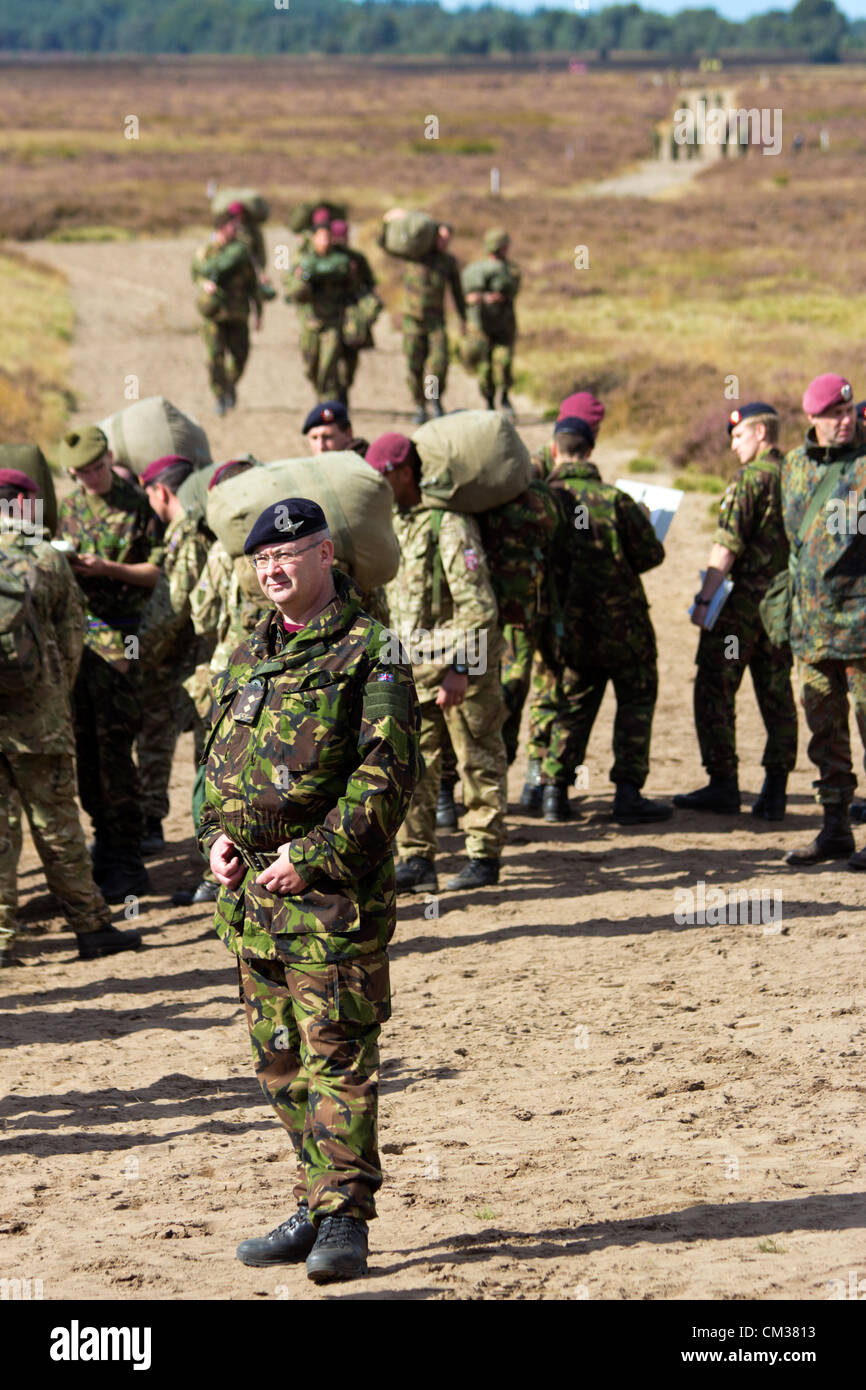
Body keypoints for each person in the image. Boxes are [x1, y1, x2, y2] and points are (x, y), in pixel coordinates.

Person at [199, 498, 420, 1283]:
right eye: (262, 562)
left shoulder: (374, 652)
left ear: (326, 555)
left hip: (330, 903)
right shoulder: (248, 651)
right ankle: (312, 1197)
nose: (273, 571)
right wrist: (214, 839)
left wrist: (315, 855)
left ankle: (344, 1221)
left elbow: (387, 780)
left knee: (337, 1059)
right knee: (280, 1064)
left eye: (288, 556)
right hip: (254, 906)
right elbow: (210, 765)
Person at [0, 468, 141, 965]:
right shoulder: (44, 557)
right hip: (39, 720)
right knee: (57, 823)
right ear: (26, 505)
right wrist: (52, 690)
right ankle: (91, 927)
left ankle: (1, 937)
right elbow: (73, 638)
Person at [367, 432, 507, 891]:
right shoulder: (394, 523)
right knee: (414, 765)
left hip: (461, 668)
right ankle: (417, 860)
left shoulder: (448, 524)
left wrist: (461, 668)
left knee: (475, 758)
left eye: (383, 475)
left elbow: (480, 607)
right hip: (414, 669)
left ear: (405, 473)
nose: (377, 484)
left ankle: (483, 857)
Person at [541, 416, 671, 824]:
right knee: (635, 700)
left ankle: (553, 793)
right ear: (590, 451)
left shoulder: (544, 501)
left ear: (555, 450)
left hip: (570, 627)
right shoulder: (617, 500)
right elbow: (651, 555)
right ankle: (628, 795)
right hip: (624, 625)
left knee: (574, 705)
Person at [674, 402, 797, 818]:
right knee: (776, 692)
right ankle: (775, 789)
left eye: (739, 436)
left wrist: (705, 600)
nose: (733, 446)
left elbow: (727, 544)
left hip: (738, 618)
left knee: (716, 685)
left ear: (762, 434)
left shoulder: (750, 480)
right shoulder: (797, 475)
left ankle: (724, 782)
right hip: (781, 610)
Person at [56, 427, 162, 902]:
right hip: (83, 640)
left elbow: (158, 570)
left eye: (98, 468)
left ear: (110, 459)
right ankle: (105, 847)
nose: (92, 478)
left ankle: (129, 859)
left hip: (125, 641)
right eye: (82, 472)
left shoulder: (139, 504)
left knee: (115, 747)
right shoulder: (69, 509)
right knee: (86, 747)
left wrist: (109, 569)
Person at [780, 373, 866, 868]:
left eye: (849, 412)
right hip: (812, 632)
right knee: (825, 734)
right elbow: (793, 539)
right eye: (834, 414)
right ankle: (835, 829)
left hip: (861, 629)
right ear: (812, 418)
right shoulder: (793, 466)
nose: (844, 420)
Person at [520, 391, 606, 811]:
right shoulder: (548, 473)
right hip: (557, 605)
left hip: (541, 602)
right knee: (560, 691)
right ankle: (548, 785)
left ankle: (534, 783)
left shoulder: (537, 471)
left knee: (544, 690)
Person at [136, 455, 212, 856]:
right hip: (197, 662)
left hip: (195, 667)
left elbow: (170, 610)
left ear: (161, 491)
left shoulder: (186, 535)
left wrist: (137, 656)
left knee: (206, 763)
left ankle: (212, 866)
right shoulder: (205, 529)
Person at [191, 211, 262, 415]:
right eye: (233, 226)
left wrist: (259, 312)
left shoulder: (242, 252)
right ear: (222, 228)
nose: (237, 229)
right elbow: (196, 273)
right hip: (214, 315)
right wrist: (203, 283)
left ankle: (229, 385)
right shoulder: (206, 251)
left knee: (241, 357)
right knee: (215, 359)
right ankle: (220, 395)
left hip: (239, 314)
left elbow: (252, 284)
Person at [395, 223, 466, 424]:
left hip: (436, 322)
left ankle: (433, 399)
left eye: (448, 239)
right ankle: (419, 404)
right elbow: (389, 245)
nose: (445, 242)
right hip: (412, 322)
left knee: (437, 365)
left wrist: (463, 318)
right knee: (414, 365)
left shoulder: (448, 262)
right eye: (441, 238)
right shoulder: (415, 255)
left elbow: (457, 292)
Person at [285, 213, 354, 405]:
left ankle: (327, 403)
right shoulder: (303, 259)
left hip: (333, 321)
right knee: (311, 367)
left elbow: (342, 270)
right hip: (310, 322)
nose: (325, 241)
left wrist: (312, 271)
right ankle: (322, 394)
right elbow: (291, 285)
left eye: (328, 237)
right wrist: (303, 277)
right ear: (313, 238)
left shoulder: (340, 259)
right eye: (321, 237)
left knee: (329, 364)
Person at [462, 228, 521, 414]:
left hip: (504, 326)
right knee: (485, 367)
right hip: (482, 327)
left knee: (504, 362)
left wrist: (491, 296)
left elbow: (509, 291)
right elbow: (468, 295)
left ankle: (504, 396)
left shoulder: (511, 270)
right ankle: (489, 402)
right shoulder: (477, 269)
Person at [301, 400, 369, 458]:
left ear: (348, 434)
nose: (320, 446)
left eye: (327, 437)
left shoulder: (365, 464)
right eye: (314, 438)